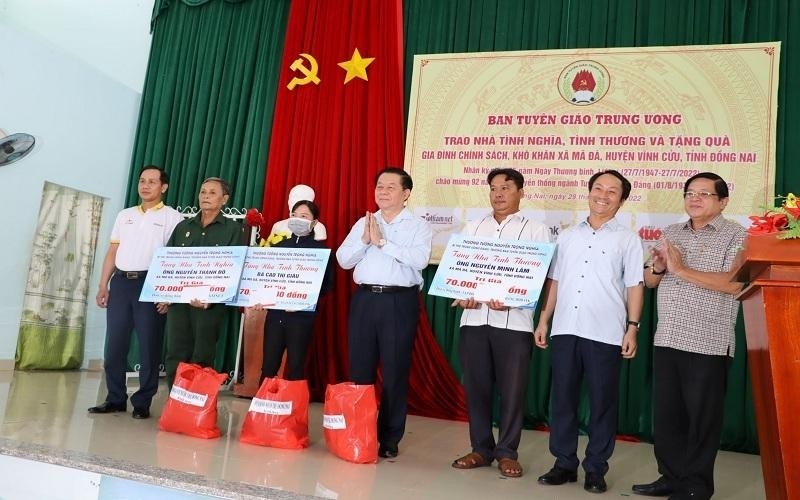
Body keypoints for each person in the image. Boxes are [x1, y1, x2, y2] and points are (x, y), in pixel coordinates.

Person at [632, 172, 746, 500]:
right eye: (690, 193)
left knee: (701, 421)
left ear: (723, 201)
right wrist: (657, 267)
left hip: (708, 342)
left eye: (704, 194)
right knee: (668, 417)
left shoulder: (737, 235)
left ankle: (696, 486)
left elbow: (734, 284)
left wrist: (681, 270)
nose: (694, 199)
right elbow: (651, 283)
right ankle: (670, 477)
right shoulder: (671, 233)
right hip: (668, 337)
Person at [534, 169, 644, 493]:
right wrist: (544, 320)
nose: (603, 195)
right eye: (598, 188)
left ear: (622, 201)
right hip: (566, 327)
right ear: (589, 192)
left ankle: (596, 468)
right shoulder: (567, 236)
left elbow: (635, 285)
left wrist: (632, 327)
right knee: (563, 400)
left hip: (606, 332)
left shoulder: (628, 239)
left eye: (612, 192)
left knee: (602, 403)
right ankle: (564, 464)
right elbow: (555, 281)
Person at [450, 168, 550, 478]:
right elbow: (462, 270)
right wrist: (463, 294)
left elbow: (541, 278)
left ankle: (507, 452)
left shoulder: (536, 229)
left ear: (521, 192)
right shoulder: (473, 226)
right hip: (475, 319)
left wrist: (514, 297)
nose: (499, 194)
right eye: (494, 188)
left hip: (515, 322)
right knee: (477, 388)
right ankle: (481, 448)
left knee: (512, 391)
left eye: (506, 188)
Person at [336, 167, 432, 459]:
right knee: (360, 370)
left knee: (394, 371)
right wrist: (365, 240)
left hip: (397, 302)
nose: (383, 191)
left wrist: (383, 243)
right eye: (379, 186)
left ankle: (389, 437)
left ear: (406, 194)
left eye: (391, 187)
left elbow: (420, 260)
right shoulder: (365, 222)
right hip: (365, 300)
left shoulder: (418, 226)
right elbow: (342, 260)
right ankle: (358, 432)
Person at [89, 165, 183, 420]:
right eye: (142, 180)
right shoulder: (125, 215)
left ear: (163, 187)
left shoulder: (173, 218)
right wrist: (102, 284)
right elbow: (112, 252)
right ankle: (115, 398)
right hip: (120, 284)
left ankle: (142, 402)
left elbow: (175, 260)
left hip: (150, 285)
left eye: (152, 181)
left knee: (149, 347)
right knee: (115, 345)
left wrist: (167, 294)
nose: (145, 185)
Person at [163, 177, 245, 387]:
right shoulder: (183, 226)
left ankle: (195, 407)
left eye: (212, 193)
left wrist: (210, 299)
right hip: (179, 302)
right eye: (203, 192)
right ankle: (175, 402)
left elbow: (234, 269)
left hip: (209, 305)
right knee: (175, 353)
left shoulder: (233, 229)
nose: (205, 197)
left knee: (202, 355)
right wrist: (165, 295)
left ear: (224, 199)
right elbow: (169, 262)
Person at [253, 200, 334, 381]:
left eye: (304, 216)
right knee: (268, 366)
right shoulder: (278, 247)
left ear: (314, 223)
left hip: (301, 318)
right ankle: (263, 407)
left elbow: (328, 284)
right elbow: (266, 279)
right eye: (295, 215)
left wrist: (303, 300)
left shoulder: (321, 251)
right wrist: (260, 297)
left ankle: (293, 407)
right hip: (275, 315)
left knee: (297, 366)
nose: (298, 219)